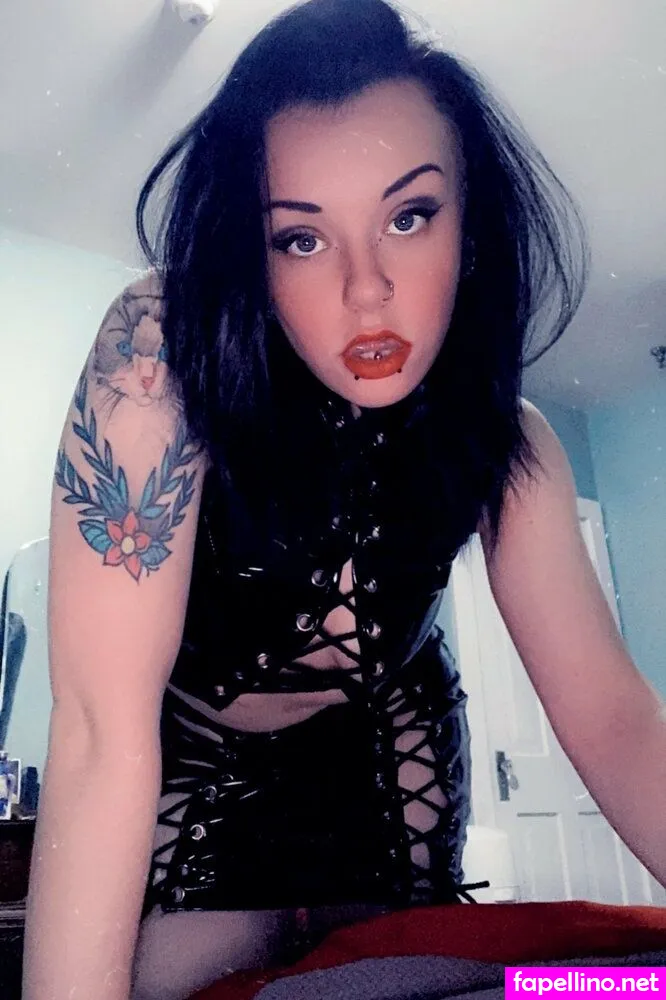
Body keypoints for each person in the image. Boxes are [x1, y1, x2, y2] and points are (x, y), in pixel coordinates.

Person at [22, 1, 666, 998]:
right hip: (197, 773)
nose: (368, 291)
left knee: (470, 976)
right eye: (301, 239)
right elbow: (102, 730)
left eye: (409, 217)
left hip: (391, 762)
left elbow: (616, 720)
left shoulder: (514, 439)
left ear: (470, 221)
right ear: (250, 251)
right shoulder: (161, 359)